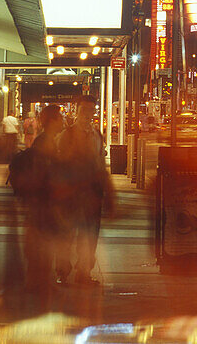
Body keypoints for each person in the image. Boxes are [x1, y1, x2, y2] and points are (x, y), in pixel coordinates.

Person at [9, 104, 65, 309]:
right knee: (41, 241)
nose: (62, 121)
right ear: (52, 120)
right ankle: (37, 283)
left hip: (41, 199)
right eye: (59, 117)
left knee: (42, 240)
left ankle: (40, 281)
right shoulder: (45, 142)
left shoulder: (47, 140)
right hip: (41, 200)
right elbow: (44, 172)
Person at [56, 96, 115, 286]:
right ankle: (63, 272)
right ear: (77, 110)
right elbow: (60, 163)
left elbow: (100, 163)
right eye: (84, 110)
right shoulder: (67, 134)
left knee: (89, 234)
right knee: (68, 233)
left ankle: (84, 272)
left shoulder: (97, 134)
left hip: (93, 193)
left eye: (91, 110)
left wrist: (106, 189)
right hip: (72, 193)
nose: (88, 114)